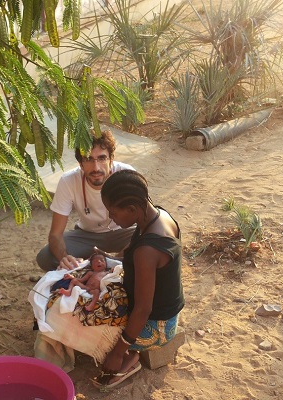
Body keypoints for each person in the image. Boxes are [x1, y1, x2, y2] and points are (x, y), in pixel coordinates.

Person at [92, 170, 184, 389]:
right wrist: (109, 259)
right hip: (166, 312)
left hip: (157, 327)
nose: (110, 218)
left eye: (112, 213)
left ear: (132, 209)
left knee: (90, 324)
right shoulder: (158, 215)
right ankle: (131, 351)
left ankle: (130, 358)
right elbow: (134, 254)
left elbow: (143, 309)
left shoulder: (148, 250)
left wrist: (117, 352)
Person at [36, 130, 135, 271]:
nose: (96, 168)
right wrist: (64, 258)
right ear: (80, 163)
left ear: (111, 159)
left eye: (101, 158)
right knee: (46, 257)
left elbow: (147, 222)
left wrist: (116, 259)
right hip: (88, 235)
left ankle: (111, 265)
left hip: (124, 232)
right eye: (88, 159)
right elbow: (55, 234)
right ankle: (88, 266)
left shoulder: (127, 175)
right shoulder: (68, 181)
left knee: (151, 242)